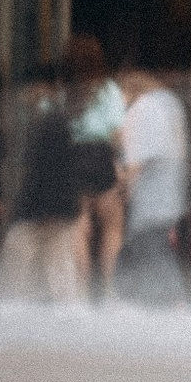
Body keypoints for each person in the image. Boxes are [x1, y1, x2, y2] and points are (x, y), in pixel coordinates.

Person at [0, 67, 87, 307]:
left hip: (43, 207)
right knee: (59, 262)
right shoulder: (58, 117)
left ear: (39, 87)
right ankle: (69, 312)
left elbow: (48, 170)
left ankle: (13, 310)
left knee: (17, 259)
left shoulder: (49, 119)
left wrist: (42, 206)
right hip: (57, 206)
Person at [117, 64, 191, 307]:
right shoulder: (169, 104)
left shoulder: (145, 108)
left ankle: (170, 303)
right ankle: (167, 302)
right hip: (170, 194)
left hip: (151, 196)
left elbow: (138, 159)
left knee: (152, 251)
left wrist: (126, 185)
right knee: (159, 249)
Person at [63, 30, 127, 301]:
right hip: (100, 157)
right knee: (113, 227)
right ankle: (110, 293)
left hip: (72, 159)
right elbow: (118, 133)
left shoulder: (63, 93)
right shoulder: (108, 89)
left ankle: (81, 296)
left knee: (80, 228)